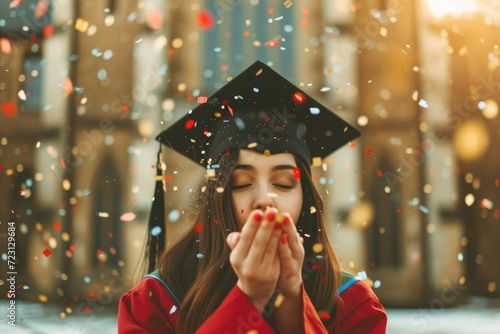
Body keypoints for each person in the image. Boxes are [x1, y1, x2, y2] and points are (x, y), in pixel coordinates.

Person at [117, 60, 387, 333]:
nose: (264, 199)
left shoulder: (352, 304)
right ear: (214, 198)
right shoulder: (156, 300)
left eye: (283, 183)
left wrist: (292, 296)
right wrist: (249, 298)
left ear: (306, 198)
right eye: (241, 183)